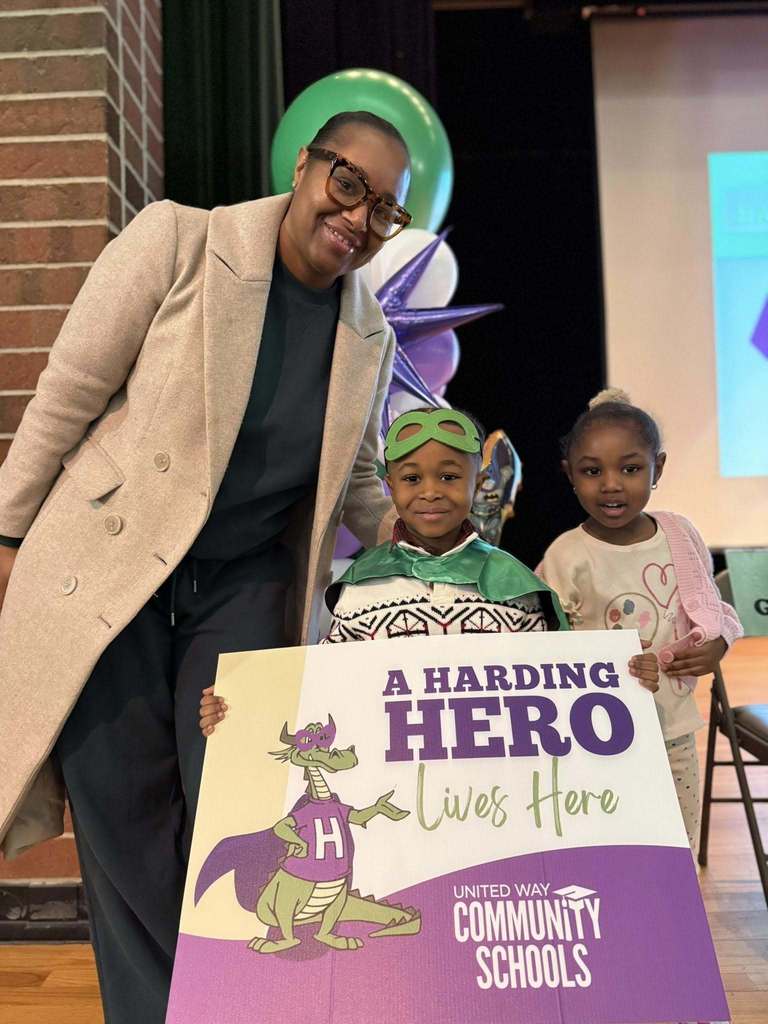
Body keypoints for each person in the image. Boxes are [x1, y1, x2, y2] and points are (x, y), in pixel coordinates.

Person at [0, 110, 414, 1023]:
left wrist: (426, 528)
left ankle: (229, 999)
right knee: (119, 808)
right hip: (112, 566)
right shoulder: (178, 242)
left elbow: (358, 481)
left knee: (243, 808)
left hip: (246, 585)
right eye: (348, 183)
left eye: (384, 209)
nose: (357, 217)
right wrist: (5, 535)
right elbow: (67, 393)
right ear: (303, 166)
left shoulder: (370, 337)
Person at [201, 407, 660, 734]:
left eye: (449, 476)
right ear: (389, 485)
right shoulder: (360, 588)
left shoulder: (516, 586)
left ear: (478, 482)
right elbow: (325, 688)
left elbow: (561, 684)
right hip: (398, 802)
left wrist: (624, 675)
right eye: (412, 478)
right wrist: (243, 705)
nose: (431, 492)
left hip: (494, 798)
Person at [537, 388, 743, 850]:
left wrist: (718, 643)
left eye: (630, 469)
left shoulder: (679, 534)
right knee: (610, 846)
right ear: (570, 474)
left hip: (673, 732)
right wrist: (617, 668)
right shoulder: (567, 555)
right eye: (592, 471)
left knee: (675, 846)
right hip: (595, 737)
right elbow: (547, 646)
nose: (611, 484)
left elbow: (713, 609)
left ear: (658, 468)